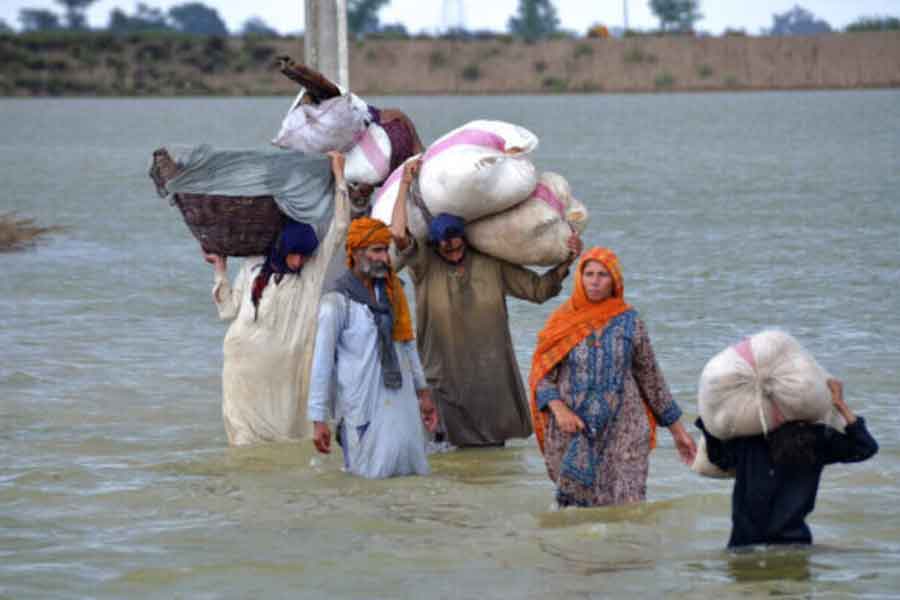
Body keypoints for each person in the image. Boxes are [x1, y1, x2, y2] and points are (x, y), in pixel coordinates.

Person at [390, 158, 582, 448]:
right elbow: (397, 234)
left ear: (466, 240)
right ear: (435, 245)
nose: (453, 251)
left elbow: (539, 290)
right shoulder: (424, 265)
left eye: (457, 245)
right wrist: (405, 184)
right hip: (443, 376)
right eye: (445, 247)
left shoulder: (491, 264)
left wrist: (567, 260)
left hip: (489, 378)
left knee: (491, 452)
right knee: (442, 451)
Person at [529, 247, 697, 507]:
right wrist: (559, 410)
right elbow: (541, 375)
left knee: (629, 506)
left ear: (615, 281)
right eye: (589, 274)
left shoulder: (630, 321)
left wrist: (679, 432)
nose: (595, 281)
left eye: (603, 275)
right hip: (574, 428)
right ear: (580, 278)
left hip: (625, 429)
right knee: (575, 513)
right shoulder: (562, 322)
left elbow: (651, 378)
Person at [204, 152, 350, 446]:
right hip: (243, 367)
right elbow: (228, 311)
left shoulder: (311, 274)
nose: (299, 261)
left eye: (304, 255)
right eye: (294, 254)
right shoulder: (253, 267)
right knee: (243, 440)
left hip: (285, 372)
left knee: (288, 436)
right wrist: (220, 269)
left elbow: (340, 227)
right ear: (282, 248)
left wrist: (339, 177)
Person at [308, 217, 439, 478]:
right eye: (377, 251)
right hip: (361, 406)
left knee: (407, 474)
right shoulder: (336, 302)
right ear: (356, 253)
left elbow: (407, 344)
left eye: (386, 251)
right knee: (365, 480)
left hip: (400, 401)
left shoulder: (393, 293)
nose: (384, 258)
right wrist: (318, 419)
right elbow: (322, 363)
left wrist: (424, 393)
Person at [696, 378, 878, 548]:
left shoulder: (748, 439)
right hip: (793, 544)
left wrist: (709, 421)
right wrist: (840, 404)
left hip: (745, 544)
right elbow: (865, 447)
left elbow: (719, 459)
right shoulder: (817, 439)